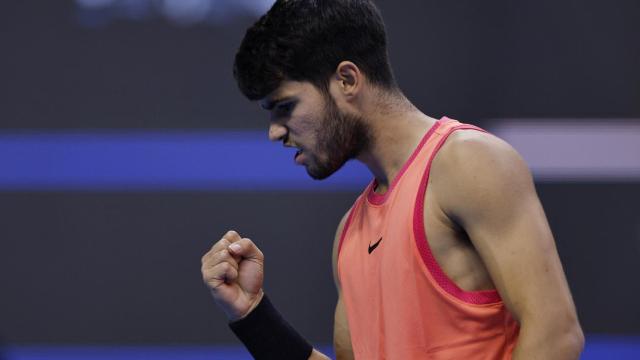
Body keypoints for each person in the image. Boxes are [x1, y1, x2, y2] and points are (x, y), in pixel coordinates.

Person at [200, 0, 584, 359]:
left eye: (285, 107)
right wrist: (252, 314)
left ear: (347, 80)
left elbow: (555, 334)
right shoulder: (349, 234)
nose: (274, 132)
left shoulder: (468, 162)